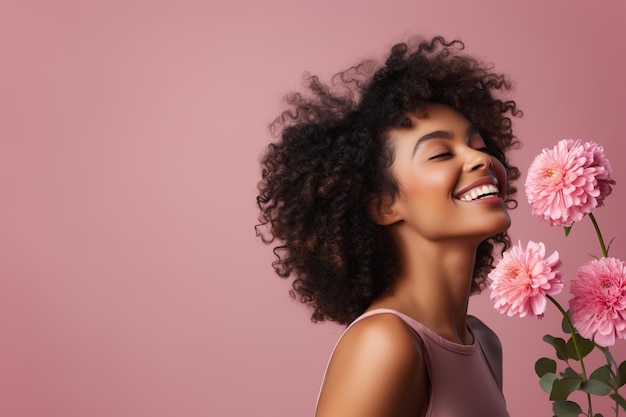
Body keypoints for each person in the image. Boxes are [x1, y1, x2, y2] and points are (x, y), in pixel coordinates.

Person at [256, 36, 521, 417]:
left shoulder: (484, 343)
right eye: (441, 153)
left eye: (478, 145)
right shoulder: (385, 344)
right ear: (384, 205)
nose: (481, 160)